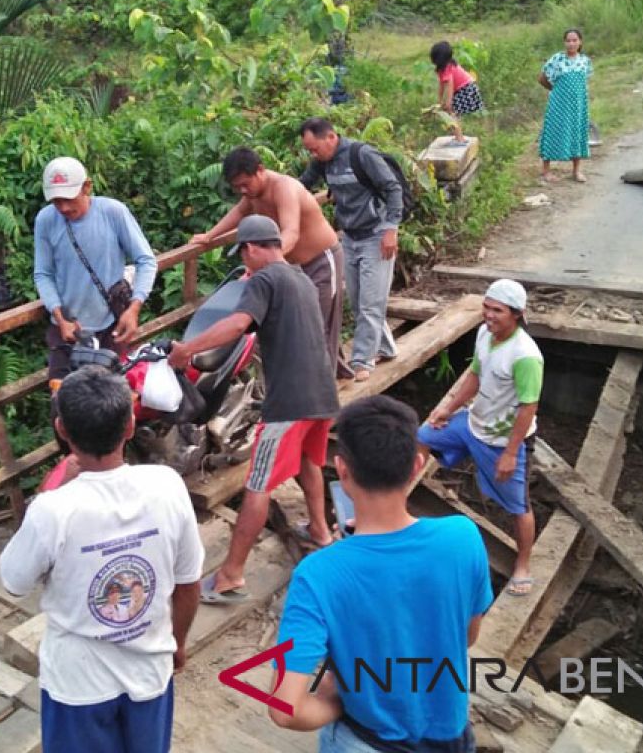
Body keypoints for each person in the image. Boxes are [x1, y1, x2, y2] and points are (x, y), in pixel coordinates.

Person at [268, 395, 493, 751]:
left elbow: (285, 709)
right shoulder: (463, 537)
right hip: (450, 737)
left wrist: (338, 699)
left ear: (342, 470)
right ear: (417, 465)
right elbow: (466, 636)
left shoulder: (318, 575)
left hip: (367, 740)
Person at [0, 365, 203, 753]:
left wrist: (56, 484)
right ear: (130, 425)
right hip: (149, 672)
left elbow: (13, 581)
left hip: (78, 684)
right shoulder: (167, 486)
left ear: (62, 429)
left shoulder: (53, 509)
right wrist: (176, 644)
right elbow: (188, 582)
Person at [168, 215, 340, 602]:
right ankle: (320, 530)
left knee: (257, 484)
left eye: (242, 255)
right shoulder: (301, 279)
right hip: (323, 395)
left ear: (250, 248)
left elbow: (236, 326)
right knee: (310, 463)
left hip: (289, 402)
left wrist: (187, 350)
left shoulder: (263, 280)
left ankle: (231, 575)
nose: (244, 262)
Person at [418, 279, 542, 597]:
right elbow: (474, 374)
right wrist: (449, 408)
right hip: (473, 423)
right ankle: (401, 499)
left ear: (517, 314)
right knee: (422, 435)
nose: (488, 315)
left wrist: (511, 453)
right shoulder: (485, 334)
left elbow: (529, 407)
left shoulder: (526, 356)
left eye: (497, 310)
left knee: (518, 505)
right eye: (486, 307)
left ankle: (523, 564)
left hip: (502, 440)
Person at [192, 146, 351, 379]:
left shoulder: (284, 188)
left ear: (260, 170)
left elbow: (291, 232)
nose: (243, 191)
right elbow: (238, 214)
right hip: (293, 265)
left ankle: (322, 385)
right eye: (237, 188)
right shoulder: (251, 195)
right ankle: (329, 374)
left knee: (318, 324)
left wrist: (264, 263)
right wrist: (209, 236)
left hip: (321, 260)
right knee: (304, 322)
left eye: (245, 184)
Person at [33, 155, 157, 379]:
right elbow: (43, 274)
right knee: (62, 397)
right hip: (68, 330)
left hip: (110, 326)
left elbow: (146, 260)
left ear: (87, 187)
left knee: (109, 400)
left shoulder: (113, 212)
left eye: (69, 198)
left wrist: (134, 308)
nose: (63, 207)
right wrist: (61, 318)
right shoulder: (46, 220)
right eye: (56, 201)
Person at [298, 118, 401, 383]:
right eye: (309, 150)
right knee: (357, 301)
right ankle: (385, 347)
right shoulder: (322, 161)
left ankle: (362, 359)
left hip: (377, 235)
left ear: (331, 137)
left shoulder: (362, 155)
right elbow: (302, 186)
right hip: (349, 237)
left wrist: (391, 229)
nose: (313, 154)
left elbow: (393, 188)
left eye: (315, 148)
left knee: (370, 303)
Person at [537, 28, 593, 183]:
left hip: (578, 104)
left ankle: (576, 171)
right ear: (564, 42)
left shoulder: (585, 61)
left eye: (574, 40)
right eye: (568, 40)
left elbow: (584, 82)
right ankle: (546, 171)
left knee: (578, 132)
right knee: (553, 130)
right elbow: (542, 78)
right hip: (558, 103)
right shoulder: (557, 59)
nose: (571, 43)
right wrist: (555, 91)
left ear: (580, 42)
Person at [430, 41, 484, 144]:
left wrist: (448, 103)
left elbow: (449, 86)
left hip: (466, 89)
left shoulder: (447, 69)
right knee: (453, 114)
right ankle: (458, 137)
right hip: (464, 89)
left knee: (452, 114)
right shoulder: (443, 69)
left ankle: (459, 139)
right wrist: (440, 100)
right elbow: (442, 85)